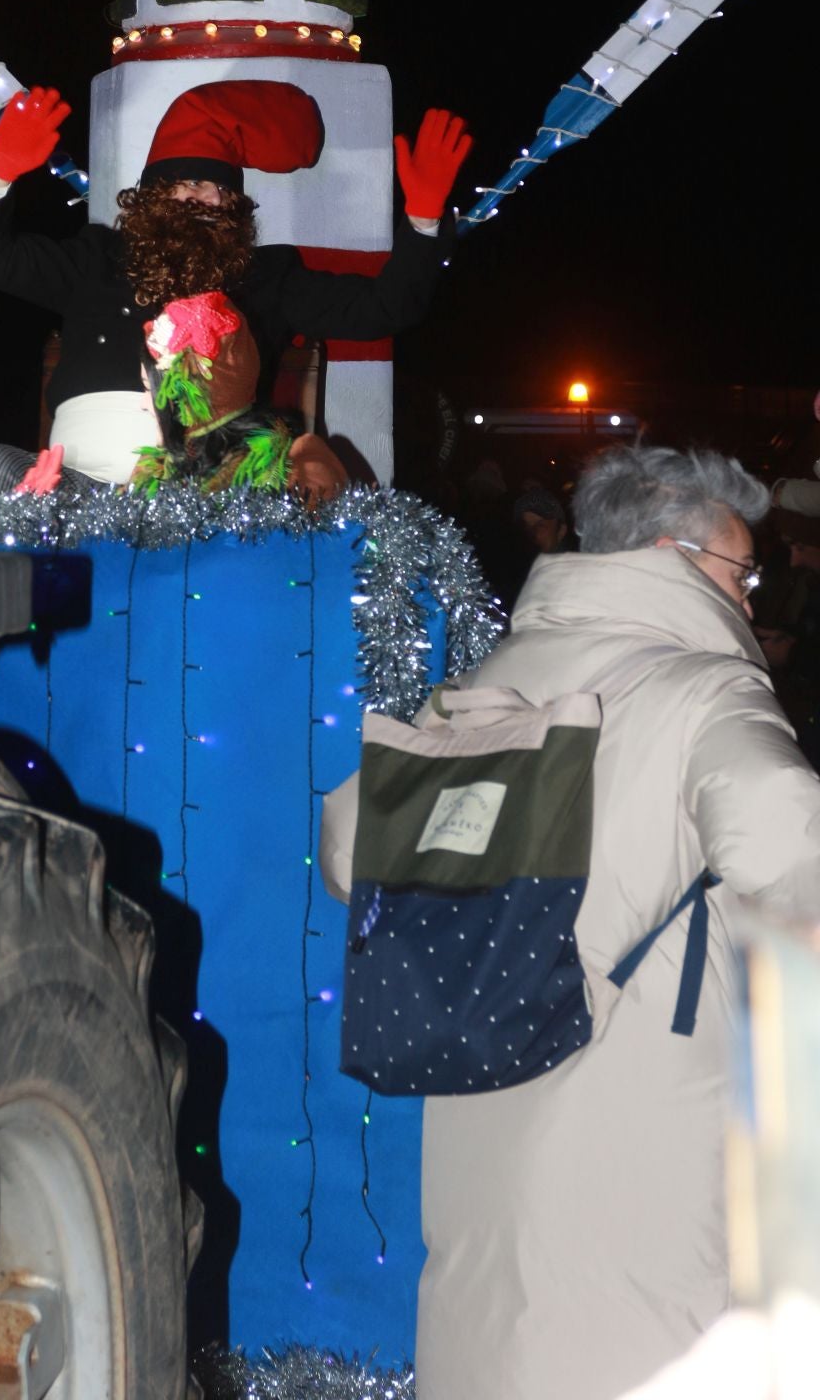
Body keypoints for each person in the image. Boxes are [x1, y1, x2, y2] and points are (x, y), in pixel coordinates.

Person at [416, 444, 820, 1400]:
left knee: (499, 1338)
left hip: (482, 1094)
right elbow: (788, 844)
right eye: (742, 571)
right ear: (675, 558)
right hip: (644, 1124)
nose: (753, 598)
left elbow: (351, 842)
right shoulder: (705, 689)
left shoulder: (486, 683)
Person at [0, 79, 471, 493]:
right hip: (74, 486)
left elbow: (384, 308)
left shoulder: (265, 278)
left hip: (209, 490)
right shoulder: (95, 258)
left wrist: (423, 221)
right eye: (187, 185)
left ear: (235, 207)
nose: (202, 200)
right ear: (154, 197)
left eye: (217, 189)